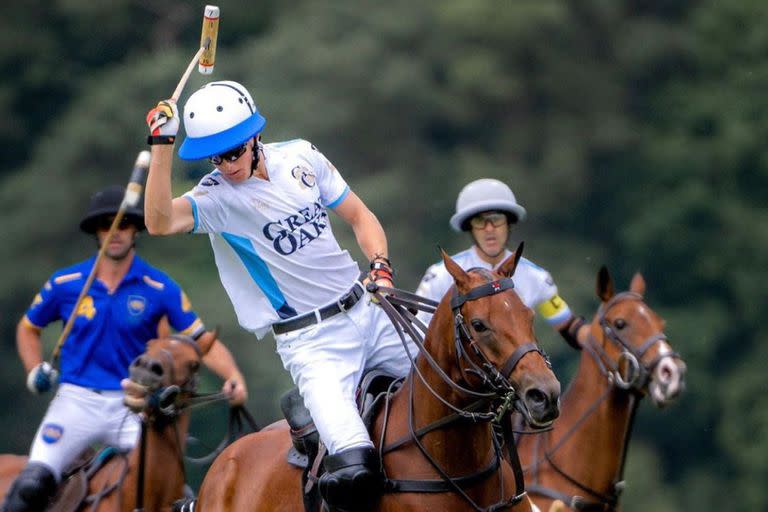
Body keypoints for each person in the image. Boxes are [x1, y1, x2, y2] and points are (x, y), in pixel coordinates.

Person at [143, 80, 411, 511]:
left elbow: (360, 216)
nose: (227, 165)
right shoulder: (215, 199)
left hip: (370, 309)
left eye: (233, 152)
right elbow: (157, 221)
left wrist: (380, 264)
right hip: (314, 344)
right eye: (216, 156)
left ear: (254, 137)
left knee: (471, 389)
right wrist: (161, 146)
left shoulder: (301, 157)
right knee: (355, 470)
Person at [2, 186, 248, 512]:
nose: (114, 232)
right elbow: (28, 328)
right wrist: (35, 369)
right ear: (95, 232)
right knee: (29, 488)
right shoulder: (66, 283)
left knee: (173, 493)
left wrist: (232, 375)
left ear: (135, 230)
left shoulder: (158, 287)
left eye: (122, 224)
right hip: (76, 400)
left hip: (134, 403)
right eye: (105, 225)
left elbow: (201, 341)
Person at [416, 178, 589, 349]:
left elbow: (568, 326)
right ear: (470, 227)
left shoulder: (537, 277)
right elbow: (417, 330)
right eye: (479, 221)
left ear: (509, 223)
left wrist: (602, 337)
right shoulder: (440, 275)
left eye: (496, 219)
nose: (489, 228)